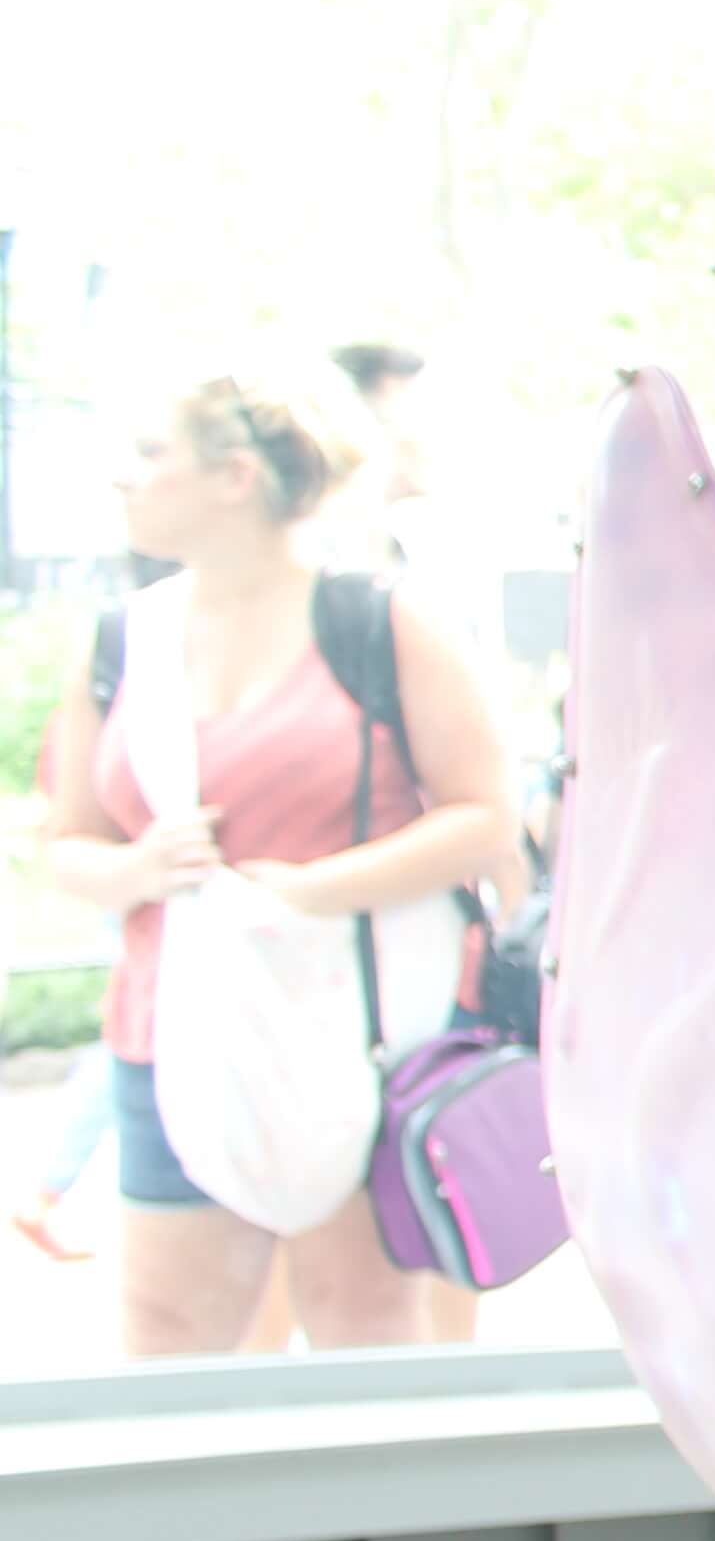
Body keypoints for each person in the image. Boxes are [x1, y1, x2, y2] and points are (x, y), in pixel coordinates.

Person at [32, 372, 522, 1356]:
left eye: (150, 454)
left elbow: (484, 818)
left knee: (368, 1324)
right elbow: (65, 844)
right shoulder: (124, 642)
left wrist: (303, 892)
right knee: (171, 1338)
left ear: (236, 477)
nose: (122, 481)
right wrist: (139, 872)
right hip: (174, 1038)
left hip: (369, 1028)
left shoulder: (379, 621)